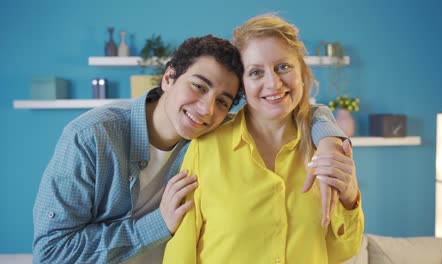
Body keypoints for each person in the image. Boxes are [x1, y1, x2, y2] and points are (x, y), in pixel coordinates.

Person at [32, 35, 346, 263]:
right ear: (169, 76)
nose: (206, 109)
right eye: (198, 86)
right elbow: (51, 253)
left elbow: (300, 110)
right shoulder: (92, 137)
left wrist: (331, 139)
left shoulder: (210, 138)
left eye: (223, 101)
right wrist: (158, 224)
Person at [163, 14, 364, 264]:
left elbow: (342, 251)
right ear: (242, 85)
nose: (274, 83)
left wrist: (350, 197)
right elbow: (180, 251)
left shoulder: (326, 150)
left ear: (302, 71)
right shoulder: (206, 148)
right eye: (256, 72)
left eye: (284, 67)